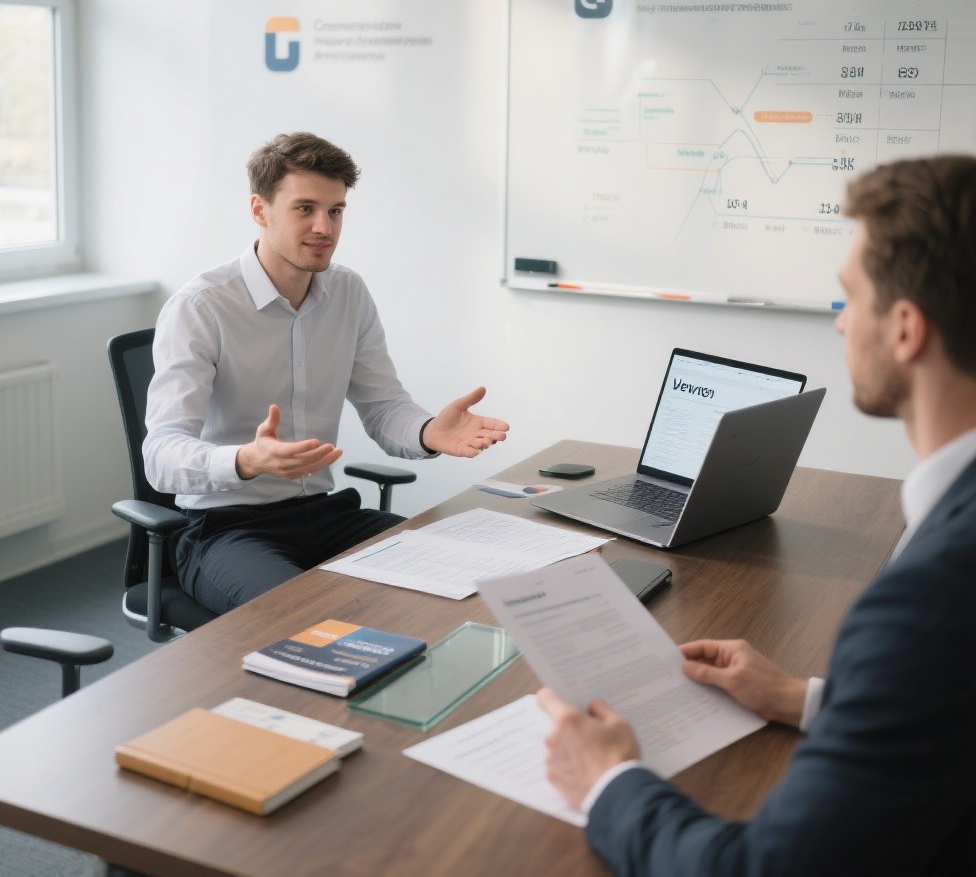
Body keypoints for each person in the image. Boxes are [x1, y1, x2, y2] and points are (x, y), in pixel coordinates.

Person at [537, 155, 976, 876]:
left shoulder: (928, 599)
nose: (839, 324)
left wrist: (610, 782)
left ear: (905, 329)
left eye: (849, 298)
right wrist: (802, 699)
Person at [144, 131, 509, 615]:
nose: (325, 227)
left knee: (469, 579)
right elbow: (160, 455)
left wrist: (426, 432)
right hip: (226, 528)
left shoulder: (348, 293)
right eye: (305, 208)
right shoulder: (201, 307)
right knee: (312, 619)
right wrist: (246, 460)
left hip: (324, 515)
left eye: (336, 211)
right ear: (260, 210)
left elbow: (384, 410)